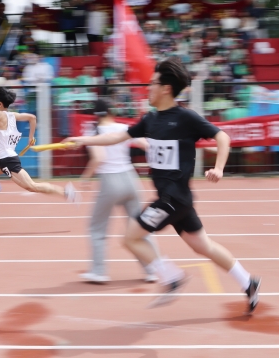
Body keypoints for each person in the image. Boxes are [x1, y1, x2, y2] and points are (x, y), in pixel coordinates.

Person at [63, 58, 260, 312]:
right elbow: (116, 137)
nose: (148, 88)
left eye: (152, 83)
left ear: (166, 88)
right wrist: (82, 140)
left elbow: (222, 136)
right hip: (178, 200)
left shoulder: (186, 118)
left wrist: (219, 168)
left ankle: (171, 277)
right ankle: (248, 282)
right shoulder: (150, 119)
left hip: (172, 199)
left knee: (131, 237)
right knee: (203, 246)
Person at [78, 99, 159, 284]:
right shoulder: (124, 127)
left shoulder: (93, 132)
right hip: (131, 180)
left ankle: (98, 272)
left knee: (97, 228)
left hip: (110, 182)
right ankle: (153, 269)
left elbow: (98, 158)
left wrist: (85, 178)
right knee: (141, 227)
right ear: (111, 112)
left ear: (95, 115)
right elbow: (147, 145)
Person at [0, 87, 78, 214]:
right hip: (3, 159)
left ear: (0, 104)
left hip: (8, 160)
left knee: (32, 186)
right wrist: (31, 137)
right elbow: (32, 118)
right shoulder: (13, 115)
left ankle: (66, 192)